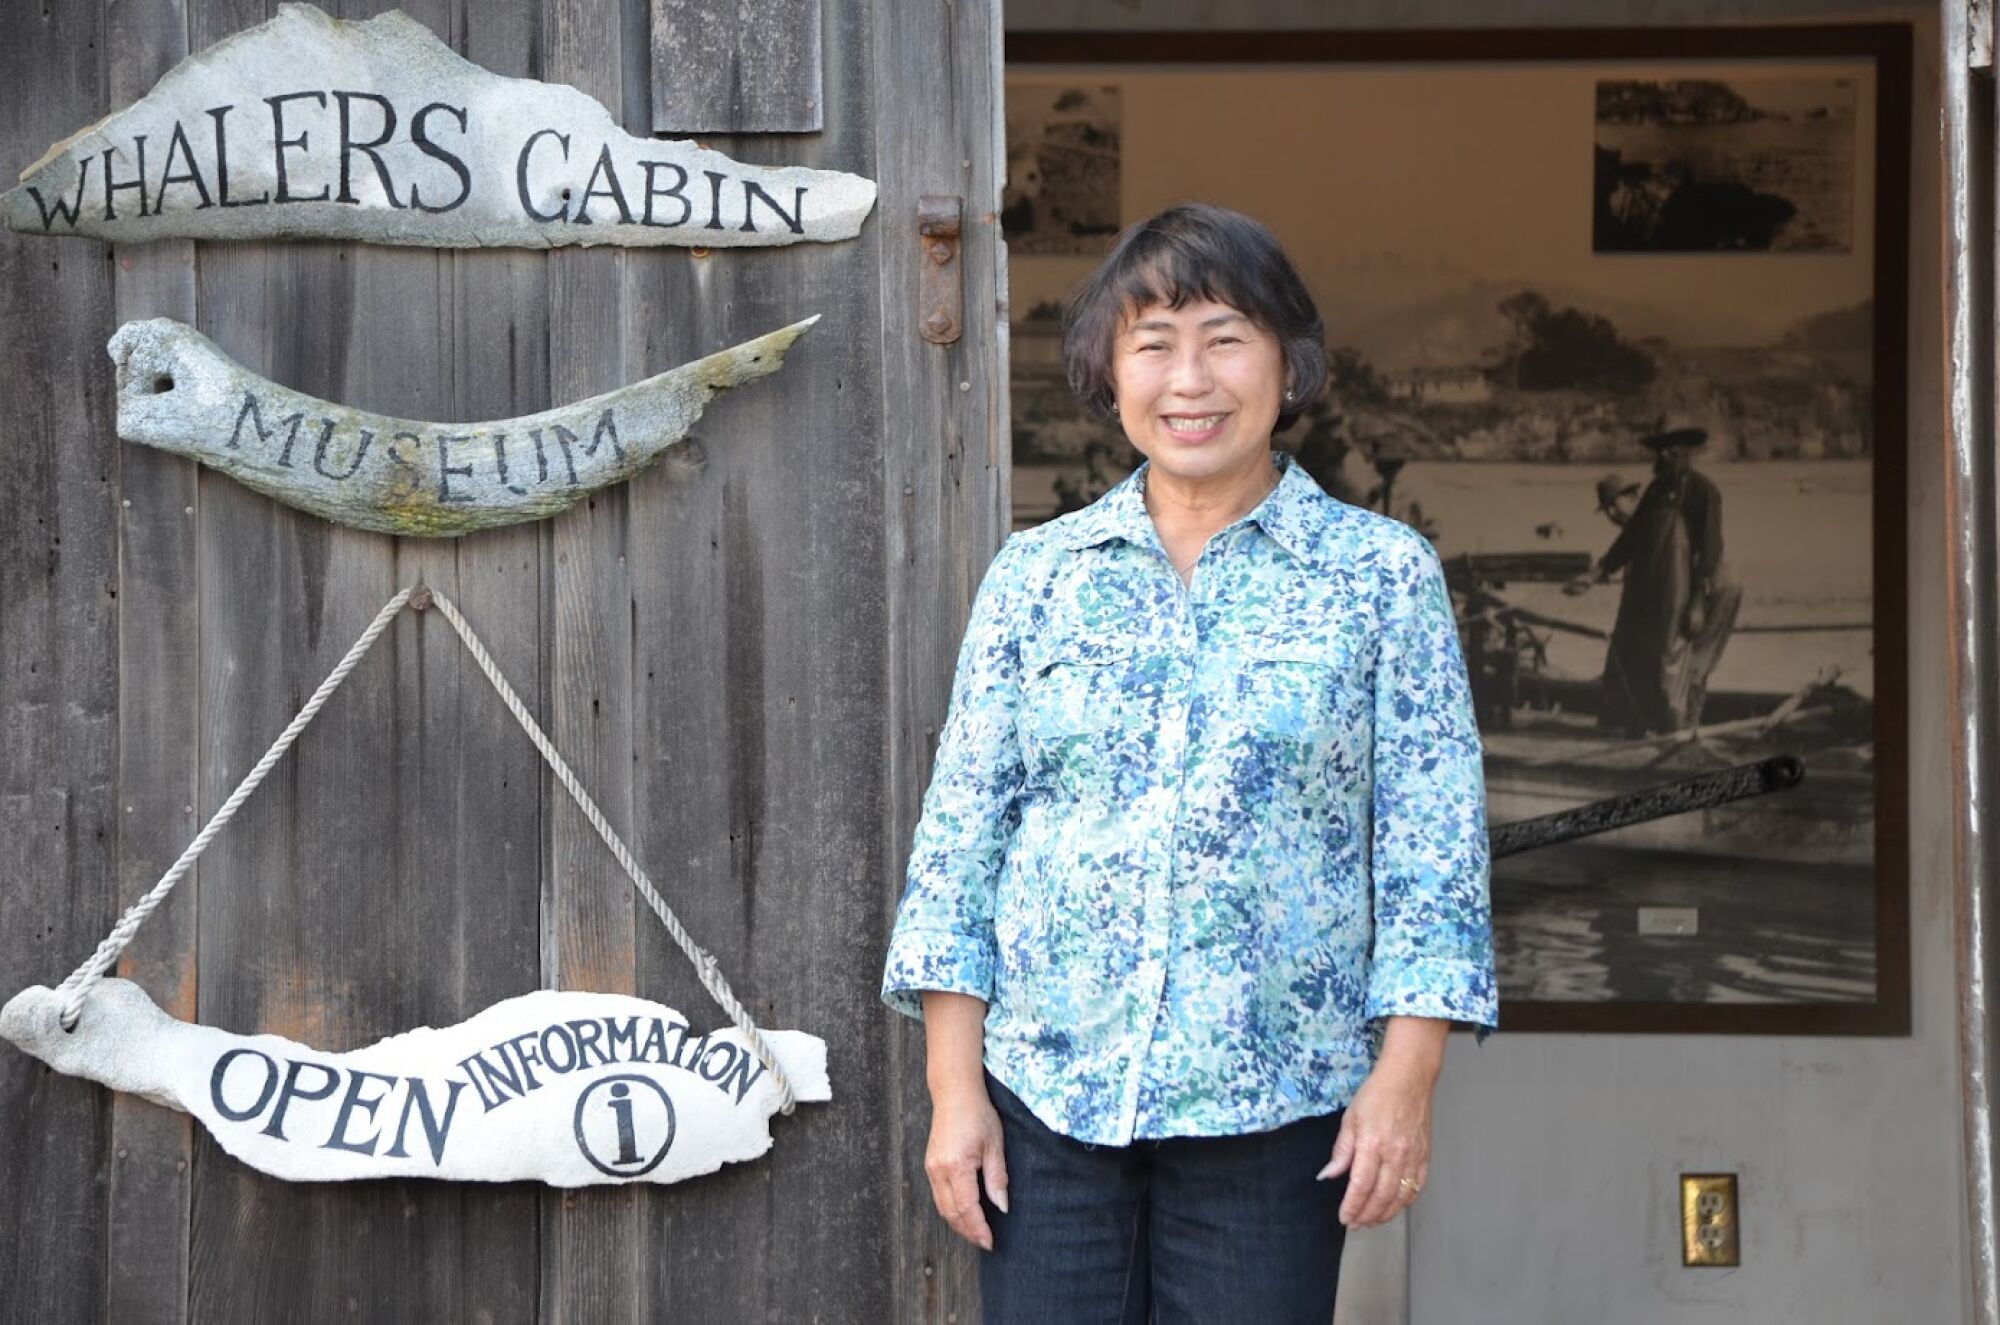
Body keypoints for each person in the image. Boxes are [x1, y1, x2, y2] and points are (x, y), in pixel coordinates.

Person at [881, 203, 1497, 1324]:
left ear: (1287, 364)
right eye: (1151, 342)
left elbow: (1430, 856)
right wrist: (952, 1088)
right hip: (1047, 1108)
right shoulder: (1038, 576)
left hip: (1272, 1110)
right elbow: (962, 839)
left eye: (1224, 337)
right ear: (1107, 374)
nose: (1188, 378)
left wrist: (1403, 1085)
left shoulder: (1379, 578)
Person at [1565, 426, 1740, 735]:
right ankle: (1642, 726)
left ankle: (1684, 734)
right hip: (1671, 590)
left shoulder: (1704, 492)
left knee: (1690, 666)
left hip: (1709, 590)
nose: (1663, 457)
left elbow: (1711, 552)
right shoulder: (1656, 491)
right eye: (1660, 450)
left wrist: (1698, 602)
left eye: (1672, 451)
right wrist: (1597, 573)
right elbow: (1631, 539)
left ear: (1687, 455)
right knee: (1643, 649)